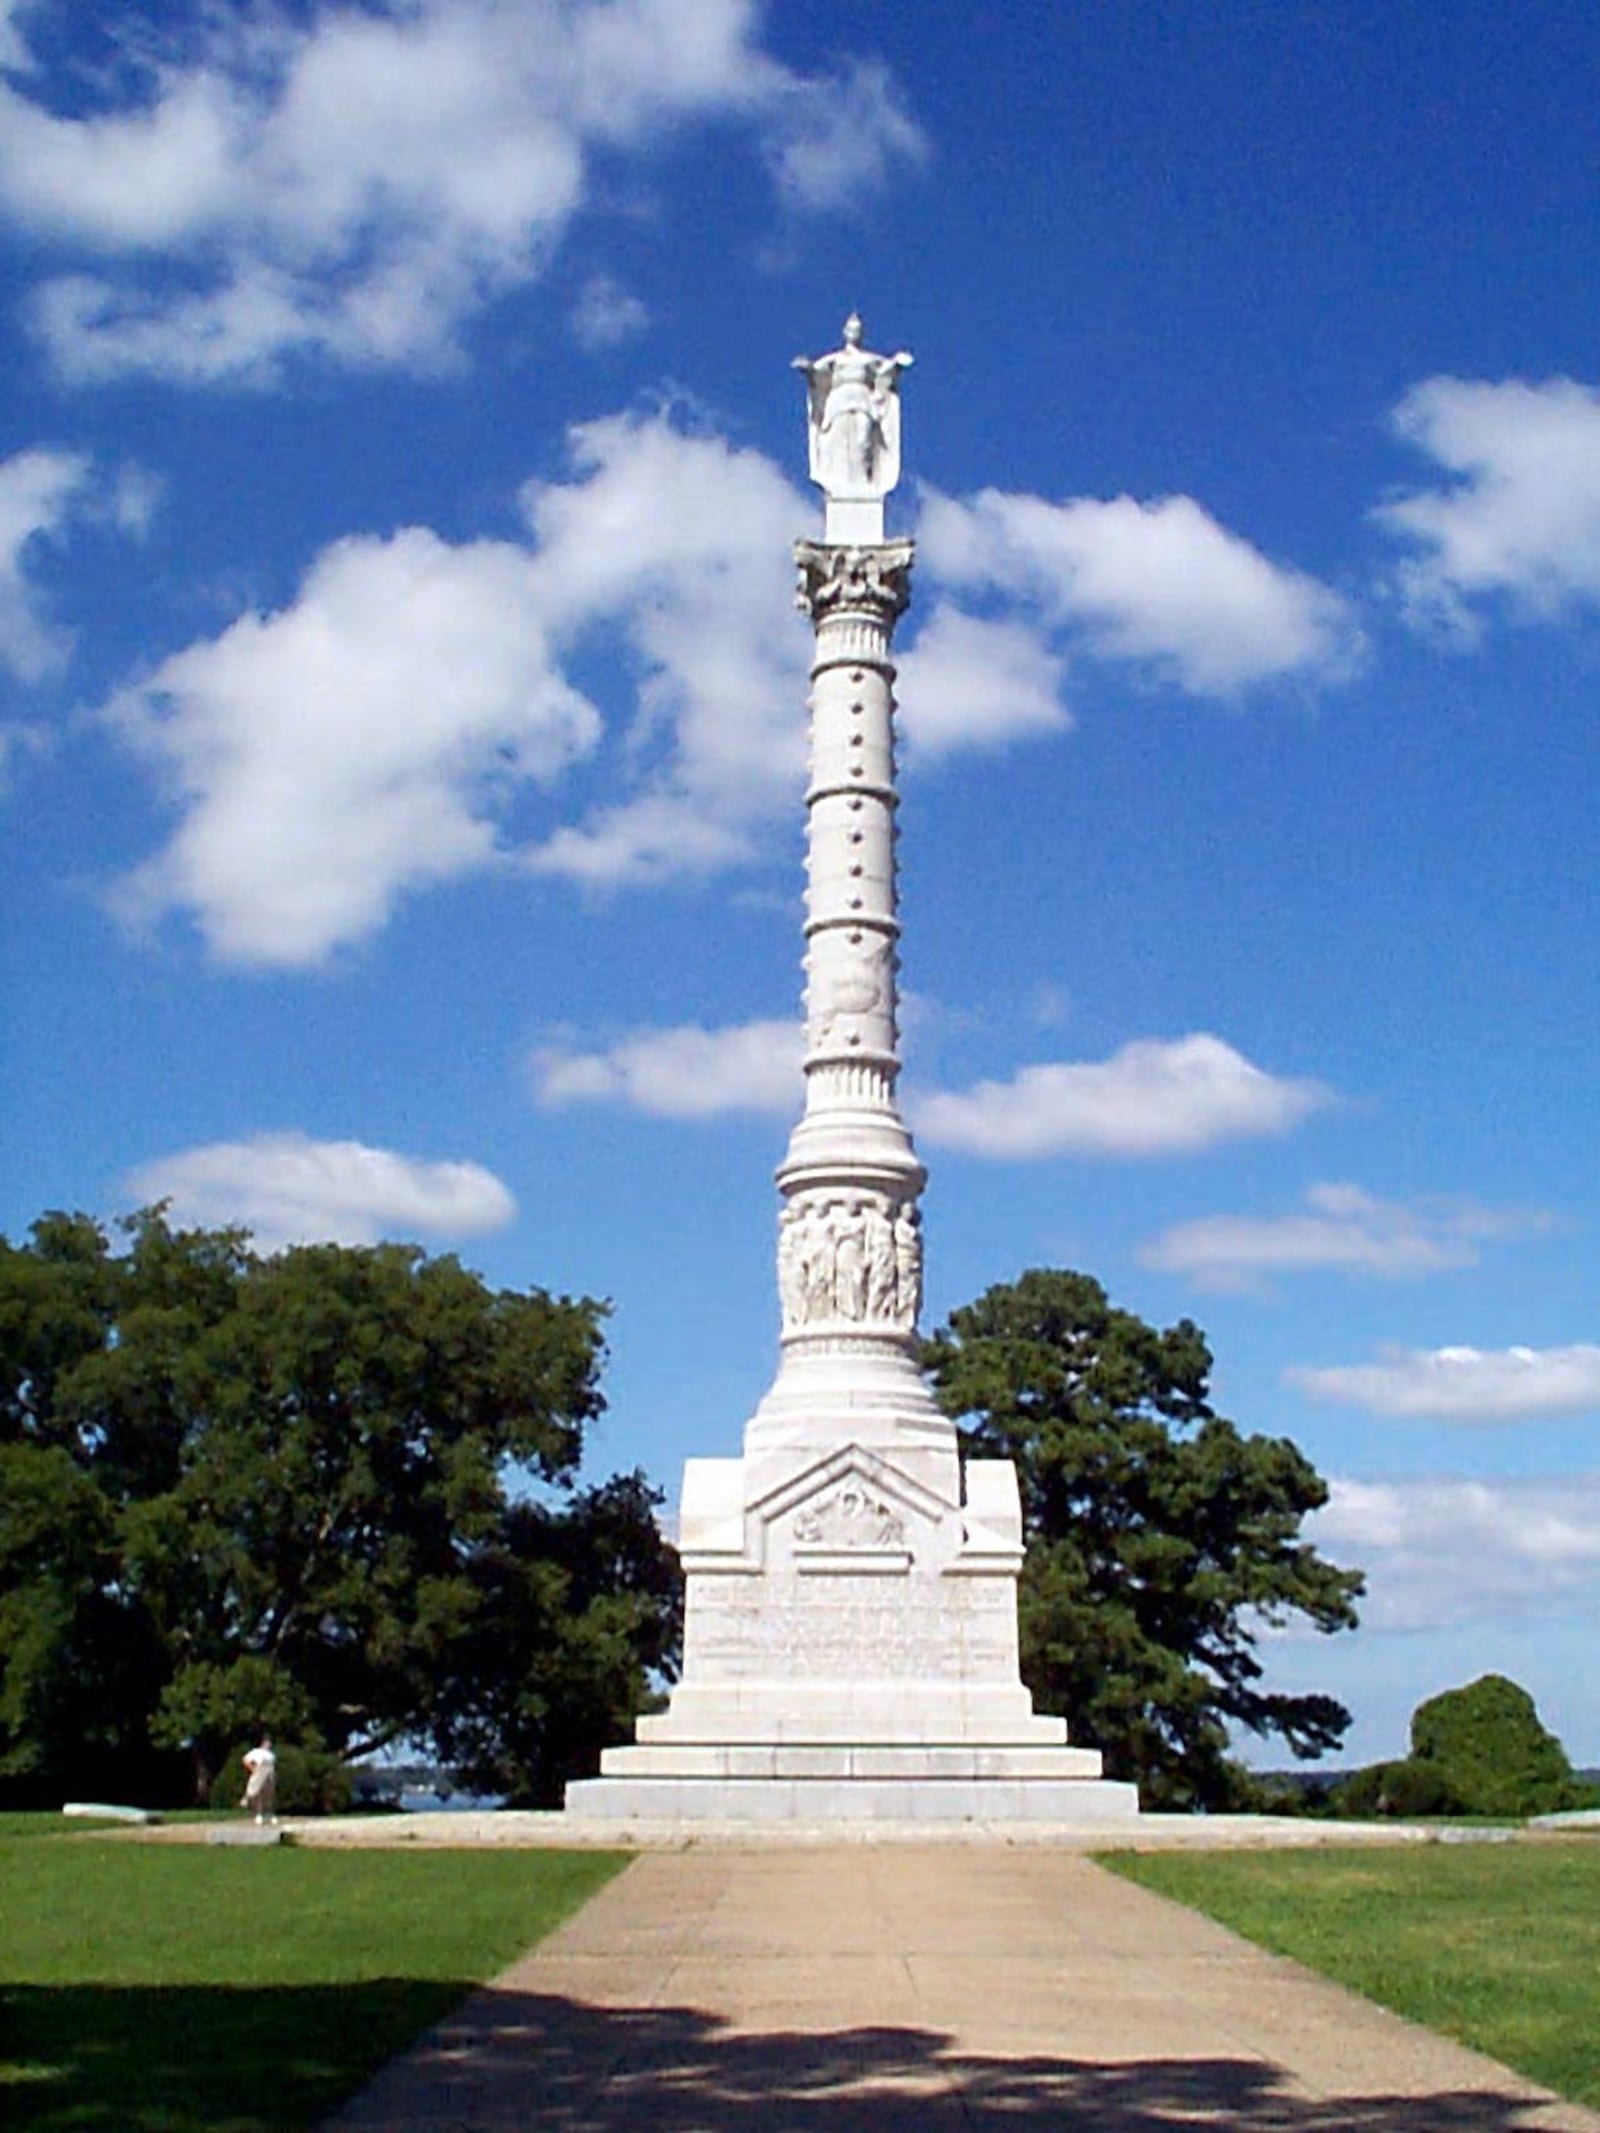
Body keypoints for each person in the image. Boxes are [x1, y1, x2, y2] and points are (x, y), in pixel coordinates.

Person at [241, 1734, 277, 1824]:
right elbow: (245, 1760)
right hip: (260, 1771)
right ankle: (257, 1812)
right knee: (256, 1792)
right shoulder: (256, 1752)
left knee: (268, 1796)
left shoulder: (271, 1755)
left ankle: (269, 1814)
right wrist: (252, 1768)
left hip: (270, 1774)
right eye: (268, 1743)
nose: (269, 1744)